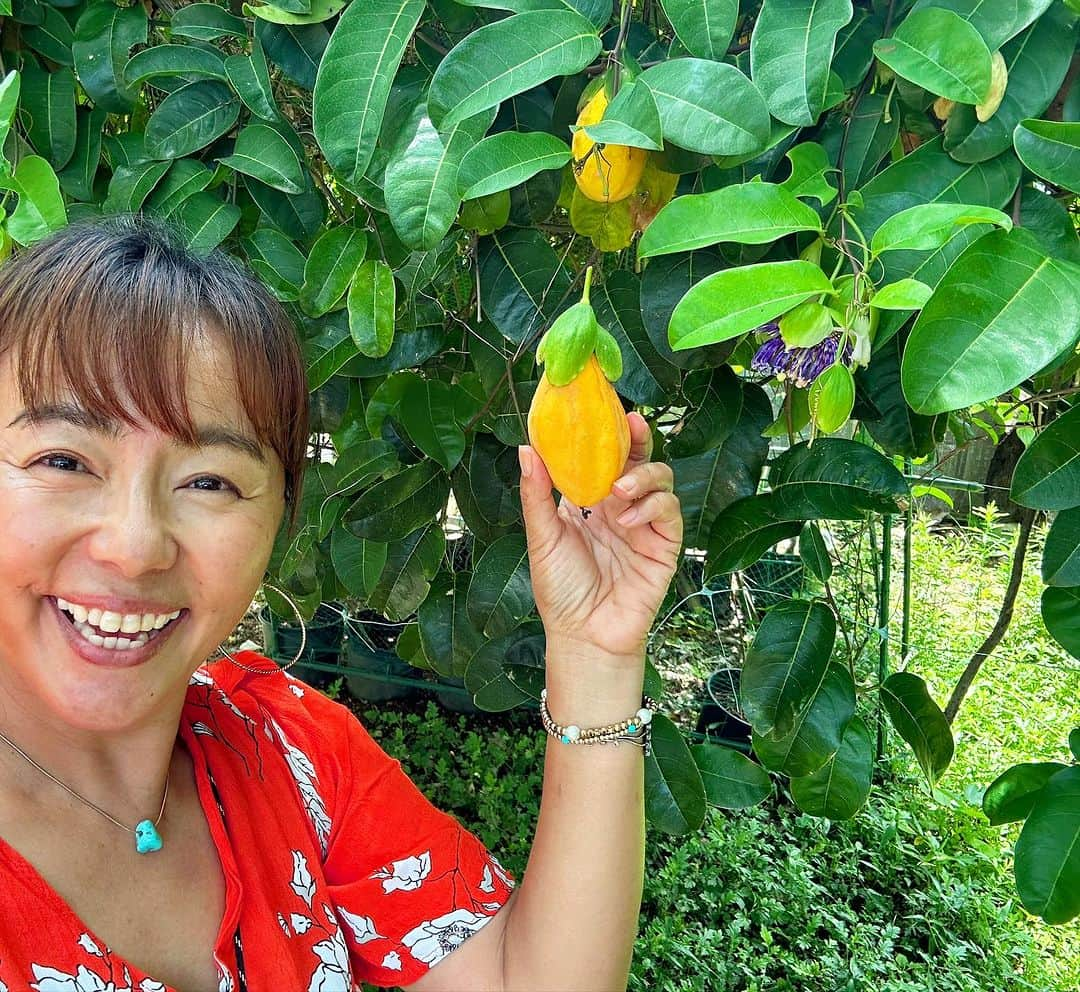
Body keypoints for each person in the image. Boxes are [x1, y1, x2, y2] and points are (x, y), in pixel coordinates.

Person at [0, 213, 683, 992]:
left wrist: (595, 652)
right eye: (62, 459)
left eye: (210, 481)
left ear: (277, 520)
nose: (134, 544)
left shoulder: (288, 753)